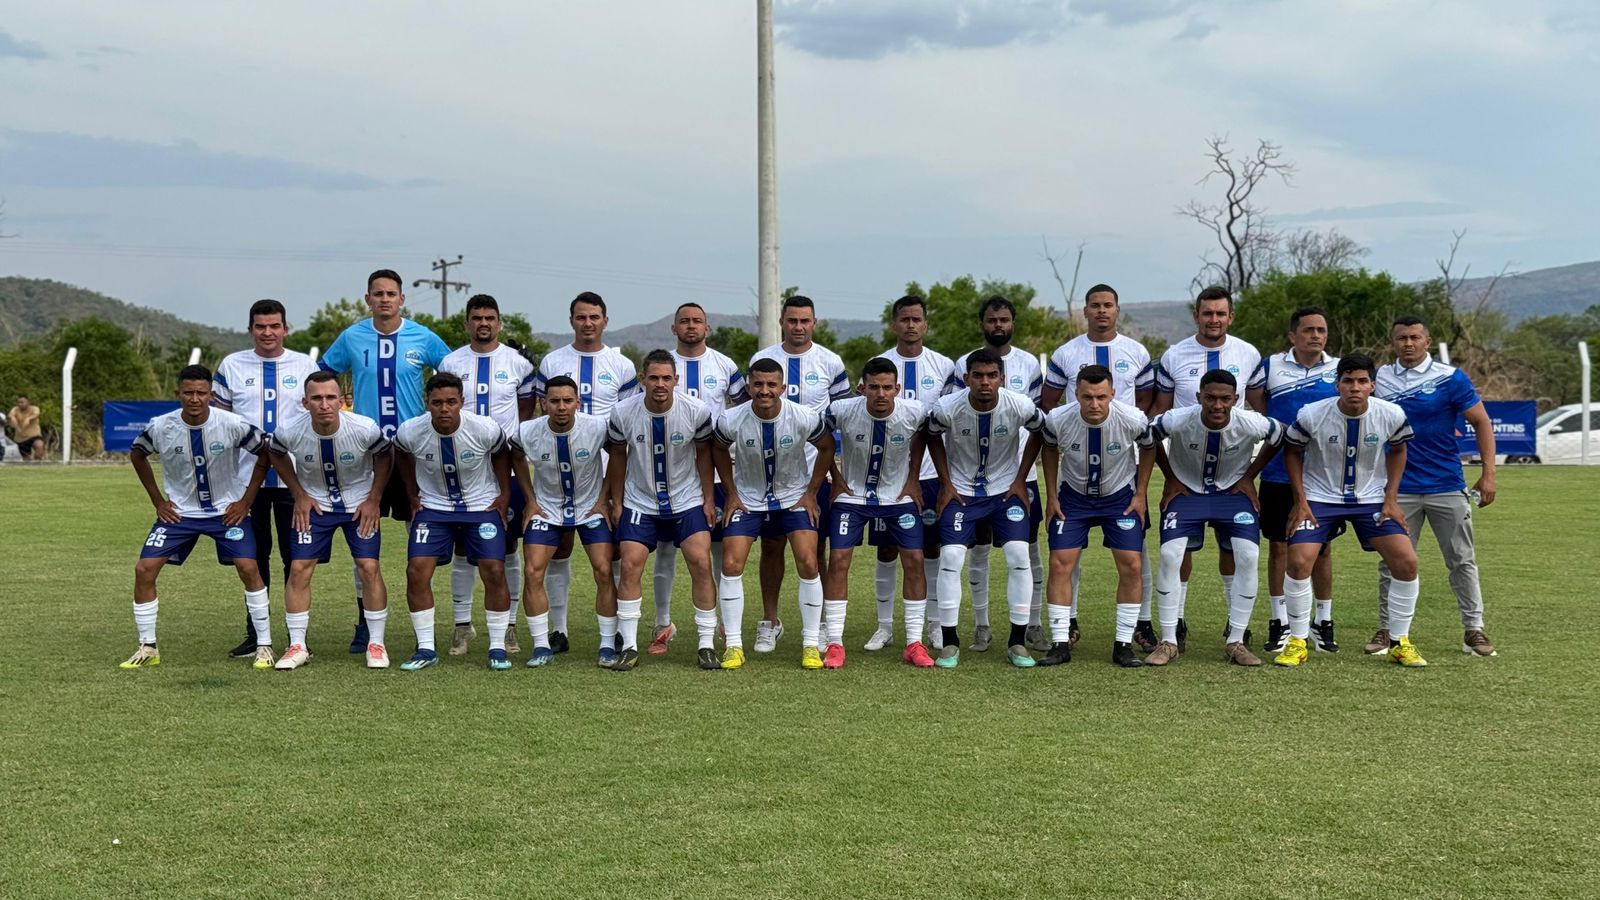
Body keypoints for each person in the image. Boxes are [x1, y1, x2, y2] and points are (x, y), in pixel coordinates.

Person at [319, 269, 450, 653]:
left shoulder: (423, 337)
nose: (384, 299)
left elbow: (453, 375)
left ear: (402, 299)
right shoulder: (352, 336)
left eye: (391, 293)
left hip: (413, 452)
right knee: (364, 538)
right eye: (378, 294)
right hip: (366, 452)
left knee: (424, 541)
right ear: (367, 299)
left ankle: (425, 629)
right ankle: (365, 622)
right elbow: (323, 376)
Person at [123, 365, 274, 669]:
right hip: (180, 513)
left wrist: (245, 501)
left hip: (225, 512)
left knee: (248, 567)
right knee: (144, 569)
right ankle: (147, 648)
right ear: (178, 394)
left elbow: (266, 452)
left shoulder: (232, 423)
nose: (194, 399)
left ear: (211, 395)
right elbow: (137, 454)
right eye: (188, 393)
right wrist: (158, 501)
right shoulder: (161, 426)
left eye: (201, 393)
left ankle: (265, 646)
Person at [1278, 354, 1424, 667]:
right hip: (1319, 497)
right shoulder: (1312, 414)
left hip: (1371, 499)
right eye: (1347, 381)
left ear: (1373, 385)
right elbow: (1291, 451)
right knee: (1299, 559)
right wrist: (1301, 501)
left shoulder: (1391, 414)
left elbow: (1399, 449)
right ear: (1338, 384)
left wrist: (1391, 499)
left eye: (1361, 381)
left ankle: (1400, 642)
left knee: (1407, 562)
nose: (1354, 387)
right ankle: (1298, 640)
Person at [1145, 286, 1264, 651]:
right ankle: (1175, 622)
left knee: (1236, 551)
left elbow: (1260, 414)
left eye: (1220, 313)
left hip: (1231, 469)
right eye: (1207, 313)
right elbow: (1158, 416)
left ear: (1231, 316)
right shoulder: (1175, 354)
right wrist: (1169, 476)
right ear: (1196, 315)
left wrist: (1248, 473)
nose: (1214, 319)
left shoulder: (1248, 353)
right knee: (1179, 553)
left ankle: (1236, 628)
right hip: (1186, 467)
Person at [1040, 283, 1156, 650]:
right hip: (1074, 483)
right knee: (1064, 561)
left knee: (1136, 558)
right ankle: (1064, 630)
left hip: (1121, 473)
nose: (1102, 311)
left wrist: (1141, 491)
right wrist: (1050, 492)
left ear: (1117, 309)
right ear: (1085, 311)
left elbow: (1150, 410)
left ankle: (1138, 628)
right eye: (1095, 305)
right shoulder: (1065, 354)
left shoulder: (1136, 352)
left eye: (1108, 305)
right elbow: (1047, 418)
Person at [1374, 317, 1499, 658]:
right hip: (1398, 488)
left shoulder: (1450, 378)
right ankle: (1388, 630)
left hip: (1446, 484)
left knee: (1461, 560)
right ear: (1393, 341)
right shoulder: (1380, 378)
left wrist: (1489, 474)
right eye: (1401, 338)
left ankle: (1474, 629)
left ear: (1427, 341)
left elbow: (1481, 422)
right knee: (1392, 562)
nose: (1408, 343)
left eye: (1415, 337)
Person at [1146, 369, 1281, 667]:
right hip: (1187, 494)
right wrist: (1169, 477)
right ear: (1198, 397)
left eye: (1225, 399)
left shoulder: (1250, 421)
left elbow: (1281, 435)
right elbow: (1147, 435)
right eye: (1210, 398)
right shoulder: (1178, 418)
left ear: (1236, 399)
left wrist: (1249, 476)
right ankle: (1168, 641)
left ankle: (1236, 640)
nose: (1217, 405)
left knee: (1248, 554)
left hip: (1232, 496)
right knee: (1170, 554)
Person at [213, 298, 320, 659]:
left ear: (285, 329)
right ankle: (256, 633)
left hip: (296, 481)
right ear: (250, 330)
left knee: (297, 558)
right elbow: (220, 423)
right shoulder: (231, 365)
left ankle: (295, 636)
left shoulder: (305, 364)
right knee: (252, 558)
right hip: (246, 483)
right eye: (260, 326)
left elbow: (316, 416)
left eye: (274, 326)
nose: (268, 332)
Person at [927, 348, 1047, 668]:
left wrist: (1021, 478)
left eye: (991, 376)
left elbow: (1041, 432)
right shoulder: (948, 407)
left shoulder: (1019, 404)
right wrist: (945, 483)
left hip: (1005, 492)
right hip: (963, 494)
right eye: (977, 376)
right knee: (951, 558)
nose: (984, 382)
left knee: (1020, 556)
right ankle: (950, 643)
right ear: (966, 379)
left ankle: (1017, 642)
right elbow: (930, 435)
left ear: (1002, 379)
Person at [534, 291, 640, 654]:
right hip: (561, 469)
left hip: (607, 470)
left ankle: (615, 633)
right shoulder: (552, 361)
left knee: (608, 556)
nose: (588, 323)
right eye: (581, 317)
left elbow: (625, 422)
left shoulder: (622, 365)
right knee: (559, 549)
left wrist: (616, 491)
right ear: (572, 320)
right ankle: (559, 630)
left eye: (594, 316)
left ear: (605, 321)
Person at [713, 358, 835, 669]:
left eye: (771, 385)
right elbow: (717, 449)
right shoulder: (731, 419)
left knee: (808, 560)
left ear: (782, 388)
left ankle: (810, 644)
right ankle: (734, 646)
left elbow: (827, 447)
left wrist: (810, 492)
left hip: (793, 497)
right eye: (758, 384)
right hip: (749, 500)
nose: (764, 390)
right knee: (730, 561)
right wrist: (731, 493)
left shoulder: (803, 416)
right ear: (749, 386)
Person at [265, 371, 392, 669]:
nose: (324, 404)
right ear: (305, 402)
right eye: (317, 398)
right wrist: (298, 494)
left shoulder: (363, 428)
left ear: (342, 401)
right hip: (316, 505)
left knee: (369, 567)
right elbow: (276, 453)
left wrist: (374, 498)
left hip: (358, 504)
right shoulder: (290, 430)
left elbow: (386, 456)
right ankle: (297, 646)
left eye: (331, 397)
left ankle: (376, 644)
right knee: (299, 568)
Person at [748, 295, 851, 652]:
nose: (798, 327)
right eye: (792, 320)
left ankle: (820, 623)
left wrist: (833, 472)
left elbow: (838, 420)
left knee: (814, 549)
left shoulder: (830, 361)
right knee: (772, 546)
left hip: (813, 474)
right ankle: (770, 621)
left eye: (805, 321)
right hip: (767, 475)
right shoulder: (765, 360)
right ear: (782, 322)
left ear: (814, 323)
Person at [605, 351, 718, 671]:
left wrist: (708, 500)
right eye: (653, 377)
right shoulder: (623, 412)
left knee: (700, 561)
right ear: (642, 380)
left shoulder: (696, 411)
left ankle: (706, 643)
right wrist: (617, 500)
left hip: (686, 500)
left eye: (666, 378)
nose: (660, 384)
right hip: (640, 500)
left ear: (676, 381)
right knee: (630, 565)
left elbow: (704, 456)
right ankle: (628, 646)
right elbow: (617, 456)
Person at [438, 294, 536, 658]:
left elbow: (525, 412)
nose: (483, 323)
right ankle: (463, 626)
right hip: (460, 468)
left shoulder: (518, 363)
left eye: (490, 318)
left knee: (508, 546)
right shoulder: (451, 361)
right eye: (477, 317)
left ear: (499, 323)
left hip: (503, 469)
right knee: (463, 547)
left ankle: (508, 625)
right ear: (467, 323)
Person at [393, 373, 513, 671]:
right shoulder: (411, 431)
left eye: (451, 402)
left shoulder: (484, 429)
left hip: (480, 505)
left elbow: (502, 455)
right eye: (437, 403)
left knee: (495, 569)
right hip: (434, 507)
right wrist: (411, 493)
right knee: (416, 570)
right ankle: (425, 648)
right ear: (427, 404)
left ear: (461, 402)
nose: (444, 409)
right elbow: (401, 453)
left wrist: (503, 495)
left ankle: (497, 647)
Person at [862, 295, 958, 653]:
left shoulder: (944, 366)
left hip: (930, 474)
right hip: (886, 476)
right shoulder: (882, 365)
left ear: (926, 324)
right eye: (904, 319)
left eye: (917, 319)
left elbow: (946, 421)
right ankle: (884, 626)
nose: (911, 325)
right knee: (887, 549)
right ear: (894, 324)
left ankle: (933, 624)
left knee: (929, 547)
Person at [652, 302, 748, 656]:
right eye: (684, 321)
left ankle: (724, 623)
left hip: (717, 472)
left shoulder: (724, 366)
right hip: (668, 471)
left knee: (721, 549)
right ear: (673, 328)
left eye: (697, 321)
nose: (691, 326)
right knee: (664, 549)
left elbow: (740, 412)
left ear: (707, 328)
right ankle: (662, 622)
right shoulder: (659, 366)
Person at [955, 296, 1048, 652]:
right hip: (974, 478)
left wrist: (1025, 472)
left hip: (1020, 475)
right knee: (977, 551)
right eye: (992, 320)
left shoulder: (1028, 364)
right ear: (982, 323)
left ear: (1012, 322)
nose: (998, 325)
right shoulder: (963, 364)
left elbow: (1039, 420)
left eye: (1004, 319)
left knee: (1028, 550)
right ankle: (982, 626)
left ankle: (1034, 625)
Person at [1246, 307, 1340, 655]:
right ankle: (1280, 621)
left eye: (1321, 330)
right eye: (1308, 330)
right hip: (1277, 473)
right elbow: (1261, 411)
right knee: (1279, 547)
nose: (1316, 335)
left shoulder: (1337, 369)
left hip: (1324, 477)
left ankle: (1323, 621)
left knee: (1323, 549)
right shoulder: (1270, 367)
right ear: (1292, 336)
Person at [828, 358, 935, 667]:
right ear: (861, 388)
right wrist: (835, 477)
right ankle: (835, 642)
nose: (880, 394)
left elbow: (928, 436)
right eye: (873, 387)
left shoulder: (914, 413)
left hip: (898, 496)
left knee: (915, 559)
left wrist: (914, 479)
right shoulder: (842, 411)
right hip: (853, 496)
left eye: (887, 387)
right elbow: (818, 438)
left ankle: (914, 642)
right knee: (838, 559)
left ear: (897, 389)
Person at [510, 375, 617, 669]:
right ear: (543, 403)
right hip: (547, 509)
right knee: (532, 571)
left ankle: (608, 643)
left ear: (578, 403)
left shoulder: (596, 428)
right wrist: (530, 499)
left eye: (567, 401)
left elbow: (620, 454)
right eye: (554, 401)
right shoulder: (527, 431)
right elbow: (516, 456)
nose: (560, 407)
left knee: (604, 570)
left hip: (588, 507)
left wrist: (605, 498)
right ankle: (541, 644)